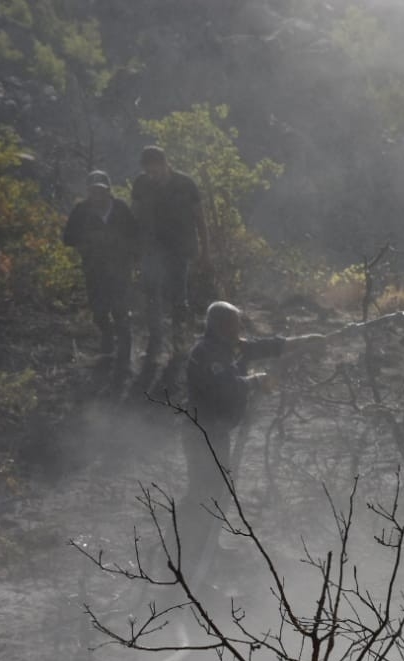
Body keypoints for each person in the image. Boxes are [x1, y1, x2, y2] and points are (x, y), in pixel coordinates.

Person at [180, 300, 323, 558]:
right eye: (235, 324)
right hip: (201, 433)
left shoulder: (229, 346)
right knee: (204, 491)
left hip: (216, 432)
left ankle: (208, 546)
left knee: (218, 489)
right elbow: (225, 387)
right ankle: (189, 550)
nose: (239, 328)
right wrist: (256, 381)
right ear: (221, 325)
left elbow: (263, 347)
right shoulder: (207, 353)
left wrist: (303, 340)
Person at [131, 145, 207, 373]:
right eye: (148, 170)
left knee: (178, 297)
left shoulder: (185, 184)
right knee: (152, 295)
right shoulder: (142, 184)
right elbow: (134, 216)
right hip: (151, 249)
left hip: (179, 249)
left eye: (155, 169)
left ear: (165, 164)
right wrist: (133, 250)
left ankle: (179, 343)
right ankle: (155, 343)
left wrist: (206, 251)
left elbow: (200, 219)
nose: (152, 174)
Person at [62, 170, 138, 376]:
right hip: (94, 269)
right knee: (99, 310)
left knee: (121, 311)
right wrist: (87, 242)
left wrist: (129, 252)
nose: (98, 195)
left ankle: (125, 359)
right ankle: (107, 345)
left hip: (121, 268)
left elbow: (135, 234)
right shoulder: (81, 210)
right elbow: (67, 238)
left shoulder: (121, 208)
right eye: (93, 191)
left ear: (108, 190)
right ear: (89, 192)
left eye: (101, 190)